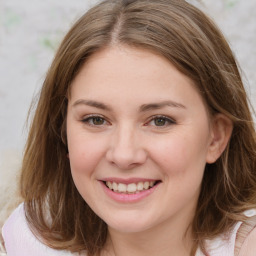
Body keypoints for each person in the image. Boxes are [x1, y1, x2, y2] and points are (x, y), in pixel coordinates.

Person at [1, 0, 256, 255]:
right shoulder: (28, 240)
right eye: (96, 119)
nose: (124, 155)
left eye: (160, 120)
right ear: (63, 131)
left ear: (216, 137)